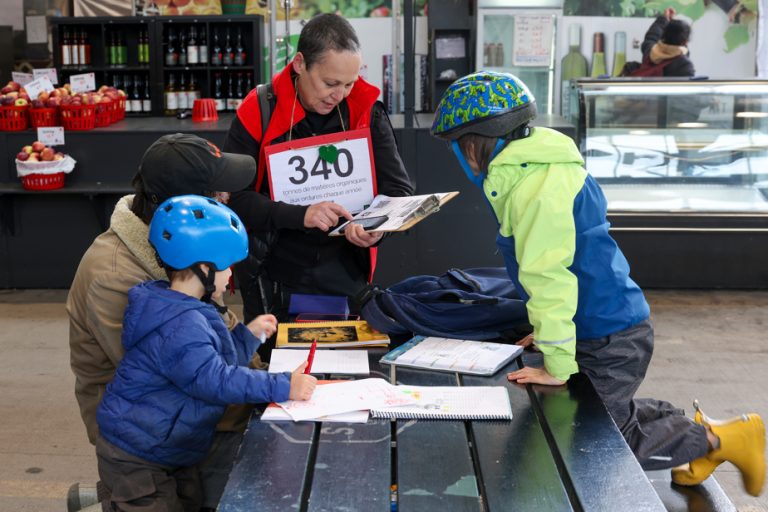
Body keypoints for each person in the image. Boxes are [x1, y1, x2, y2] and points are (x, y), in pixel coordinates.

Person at [430, 71, 765, 496]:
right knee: (599, 413)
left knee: (599, 442)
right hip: (605, 322)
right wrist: (550, 332)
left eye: (458, 147)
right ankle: (697, 430)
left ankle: (721, 441)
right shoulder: (540, 170)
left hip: (607, 334)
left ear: (478, 142)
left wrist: (555, 360)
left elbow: (547, 275)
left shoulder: (534, 187)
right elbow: (565, 266)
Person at [66, 133, 274, 510]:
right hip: (148, 437)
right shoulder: (115, 277)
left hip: (183, 415)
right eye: (216, 194)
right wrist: (265, 394)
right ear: (183, 208)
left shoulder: (180, 256)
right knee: (266, 480)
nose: (227, 199)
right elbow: (190, 376)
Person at [95, 194, 317, 511]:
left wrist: (246, 337)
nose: (231, 276)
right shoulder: (181, 323)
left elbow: (210, 363)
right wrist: (283, 385)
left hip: (168, 446)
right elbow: (215, 380)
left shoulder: (187, 308)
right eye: (227, 267)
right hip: (136, 454)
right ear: (203, 268)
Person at [223, 13, 414, 337]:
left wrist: (376, 228)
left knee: (343, 368)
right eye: (330, 83)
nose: (339, 95)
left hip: (346, 272)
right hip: (272, 272)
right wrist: (302, 215)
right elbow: (234, 199)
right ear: (300, 64)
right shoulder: (259, 109)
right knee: (277, 370)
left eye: (349, 83)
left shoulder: (365, 110)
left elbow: (399, 191)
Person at [640, 7, 695, 77]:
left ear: (663, 36)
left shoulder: (651, 52)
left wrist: (664, 19)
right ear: (685, 42)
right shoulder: (685, 66)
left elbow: (651, 38)